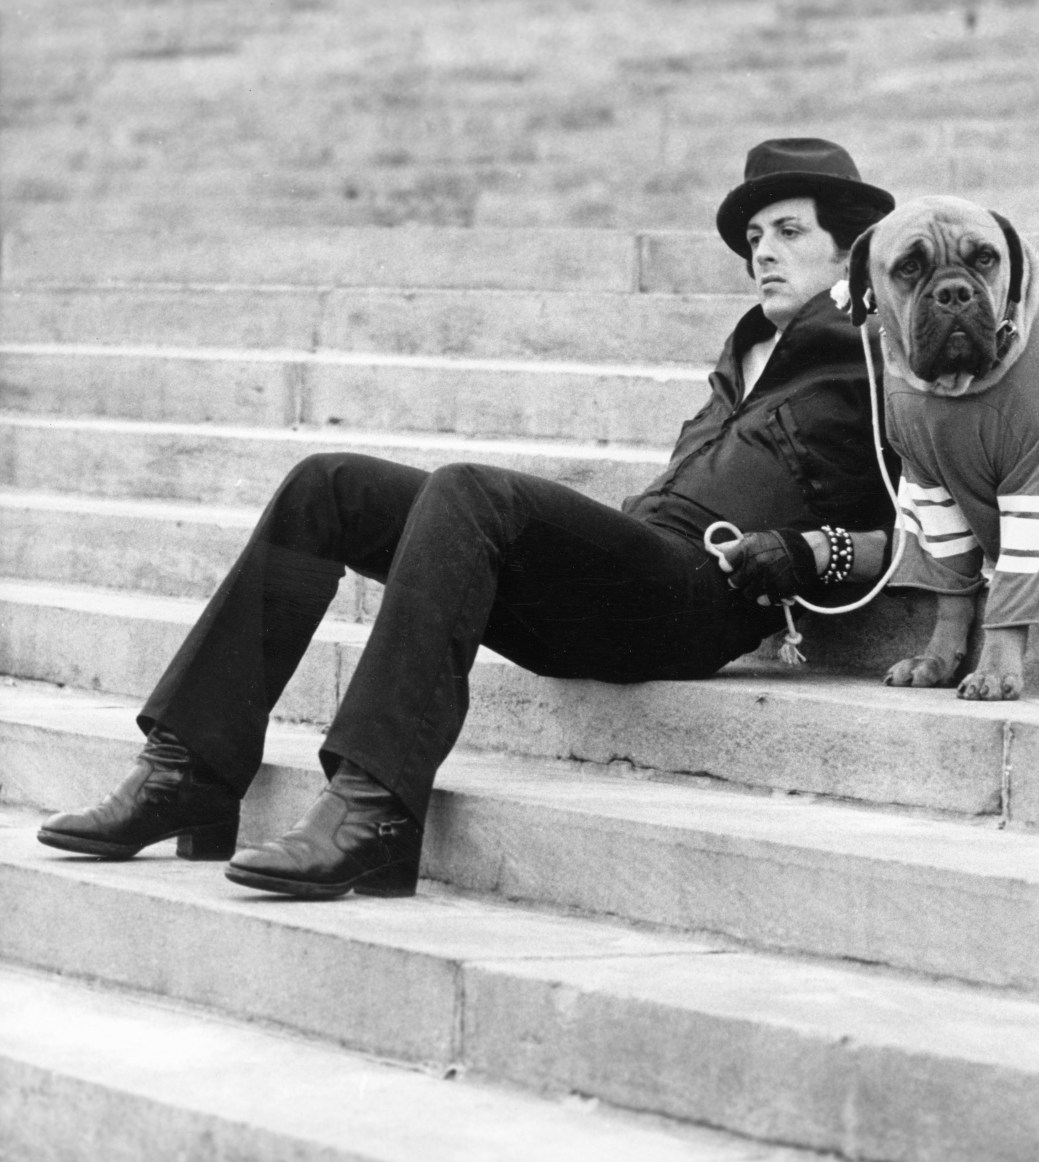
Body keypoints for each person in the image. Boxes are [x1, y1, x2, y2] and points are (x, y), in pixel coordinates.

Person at [37, 138, 899, 900]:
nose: (762, 254)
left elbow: (931, 532)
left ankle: (373, 807)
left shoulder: (881, 358)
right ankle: (191, 768)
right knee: (327, 484)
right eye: (754, 239)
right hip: (630, 576)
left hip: (701, 598)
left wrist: (810, 550)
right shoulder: (741, 358)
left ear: (851, 246)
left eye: (789, 232)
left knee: (471, 488)